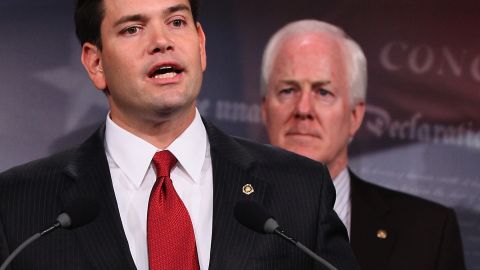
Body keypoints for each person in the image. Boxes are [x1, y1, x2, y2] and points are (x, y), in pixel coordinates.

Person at [0, 1, 360, 270]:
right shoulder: (19, 204)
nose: (162, 42)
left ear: (200, 44)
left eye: (176, 21)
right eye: (132, 29)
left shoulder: (298, 188)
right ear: (96, 64)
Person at [260, 19, 466, 270]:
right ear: (264, 109)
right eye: (288, 90)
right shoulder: (217, 209)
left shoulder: (430, 233)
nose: (303, 109)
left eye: (323, 92)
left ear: (354, 116)